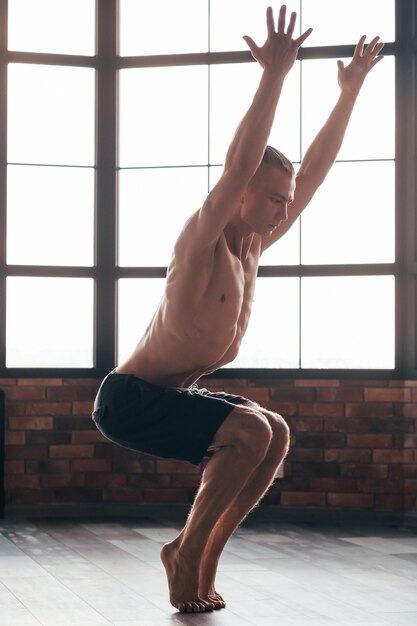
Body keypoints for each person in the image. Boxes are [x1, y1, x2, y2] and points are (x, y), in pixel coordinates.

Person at [92, 5, 384, 614]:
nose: (284, 209)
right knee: (249, 429)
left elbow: (318, 173)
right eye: (274, 197)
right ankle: (182, 555)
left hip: (174, 392)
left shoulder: (254, 243)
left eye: (286, 200)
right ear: (244, 190)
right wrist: (274, 76)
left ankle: (202, 556)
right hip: (130, 399)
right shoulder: (203, 239)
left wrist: (349, 93)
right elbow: (238, 161)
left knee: (273, 434)